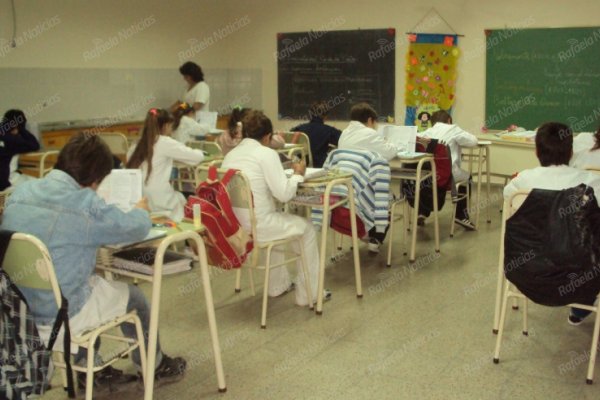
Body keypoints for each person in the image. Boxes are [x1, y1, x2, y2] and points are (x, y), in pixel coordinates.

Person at [1, 133, 186, 390]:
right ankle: (154, 366)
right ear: (94, 180)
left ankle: (91, 371)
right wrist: (141, 211)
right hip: (61, 315)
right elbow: (135, 228)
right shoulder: (84, 204)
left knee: (92, 284)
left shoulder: (20, 193)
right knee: (134, 298)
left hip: (18, 313)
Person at [221, 110, 328, 306]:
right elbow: (285, 195)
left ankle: (277, 286)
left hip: (236, 229)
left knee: (280, 225)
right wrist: (298, 174)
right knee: (307, 230)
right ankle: (309, 295)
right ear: (267, 137)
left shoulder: (230, 155)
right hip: (261, 227)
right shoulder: (266, 153)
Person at [503, 121, 600, 326]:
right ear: (571, 151)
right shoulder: (591, 183)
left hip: (526, 273)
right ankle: (582, 312)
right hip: (581, 276)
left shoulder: (521, 182)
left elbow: (508, 201)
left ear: (537, 151)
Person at [127, 108, 204, 221]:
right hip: (160, 201)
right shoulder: (164, 142)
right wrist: (201, 152)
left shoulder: (135, 145)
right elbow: (197, 157)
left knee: (179, 197)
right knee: (182, 200)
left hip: (139, 199)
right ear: (166, 126)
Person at [421, 110, 478, 229]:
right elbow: (473, 141)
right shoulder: (453, 129)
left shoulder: (427, 132)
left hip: (428, 174)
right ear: (449, 121)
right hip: (448, 174)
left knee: (427, 183)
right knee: (468, 178)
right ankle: (461, 215)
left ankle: (421, 212)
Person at [291, 101, 342, 168]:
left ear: (310, 114)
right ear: (326, 116)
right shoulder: (329, 131)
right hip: (320, 167)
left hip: (300, 166)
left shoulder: (299, 129)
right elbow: (342, 140)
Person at [0, 109, 40, 191]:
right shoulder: (12, 140)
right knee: (39, 185)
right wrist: (22, 130)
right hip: (4, 184)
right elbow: (35, 145)